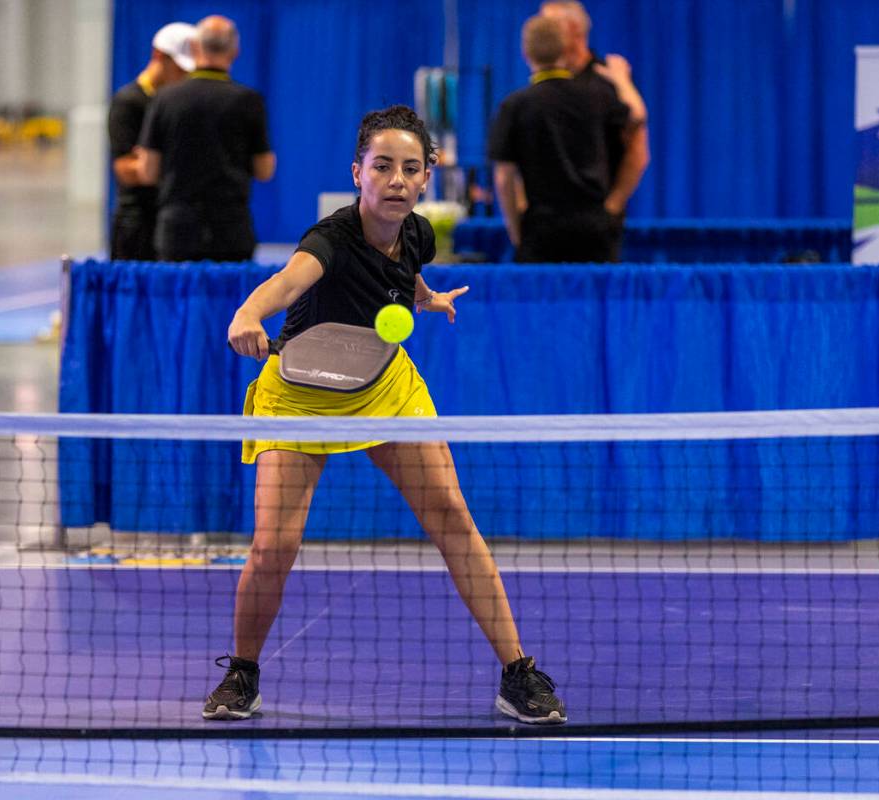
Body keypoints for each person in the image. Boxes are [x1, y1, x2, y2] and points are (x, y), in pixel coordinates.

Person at [204, 105, 566, 726]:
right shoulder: (329, 241)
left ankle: (518, 672)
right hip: (299, 394)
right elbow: (288, 283)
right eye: (382, 166)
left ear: (426, 176)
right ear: (358, 173)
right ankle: (243, 673)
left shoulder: (418, 231)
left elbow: (406, 273)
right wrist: (246, 314)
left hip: (383, 384)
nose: (396, 179)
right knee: (274, 545)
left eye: (409, 167)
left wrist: (425, 298)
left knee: (452, 516)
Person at [488, 15, 636, 262]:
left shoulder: (514, 106)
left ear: (526, 53)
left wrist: (517, 233)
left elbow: (504, 177)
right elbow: (636, 118)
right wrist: (622, 79)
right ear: (566, 51)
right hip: (595, 229)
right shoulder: (598, 97)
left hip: (541, 231)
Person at [137, 15, 275, 262]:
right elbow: (264, 170)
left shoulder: (164, 99)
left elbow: (147, 171)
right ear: (235, 51)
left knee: (175, 301)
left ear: (194, 47)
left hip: (177, 232)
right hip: (231, 231)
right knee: (235, 302)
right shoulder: (249, 101)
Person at [540, 0, 649, 260]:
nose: (541, 34)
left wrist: (613, 206)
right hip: (546, 226)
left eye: (549, 26)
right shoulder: (543, 87)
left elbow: (638, 149)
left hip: (595, 225)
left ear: (574, 30)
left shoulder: (609, 83)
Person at [107, 22, 195, 260]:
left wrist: (152, 160)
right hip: (137, 226)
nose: (185, 76)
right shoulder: (128, 102)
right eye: (180, 68)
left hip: (172, 225)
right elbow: (126, 170)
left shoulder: (180, 104)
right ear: (159, 56)